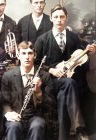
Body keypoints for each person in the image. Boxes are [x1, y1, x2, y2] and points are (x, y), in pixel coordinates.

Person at [35, 4, 96, 140]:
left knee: (65, 95)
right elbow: (35, 63)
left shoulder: (74, 37)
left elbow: (83, 53)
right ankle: (79, 126)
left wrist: (90, 50)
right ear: (51, 18)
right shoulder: (42, 39)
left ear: (66, 18)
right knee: (69, 83)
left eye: (62, 17)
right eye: (55, 17)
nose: (59, 20)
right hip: (51, 81)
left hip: (70, 82)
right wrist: (50, 69)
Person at [1, 41, 52, 140]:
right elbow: (4, 102)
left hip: (36, 116)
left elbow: (50, 105)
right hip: (16, 115)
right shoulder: (8, 76)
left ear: (35, 55)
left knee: (37, 126)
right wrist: (9, 113)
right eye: (23, 53)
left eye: (30, 53)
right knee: (13, 127)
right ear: (18, 55)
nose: (27, 57)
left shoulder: (45, 76)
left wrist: (38, 92)